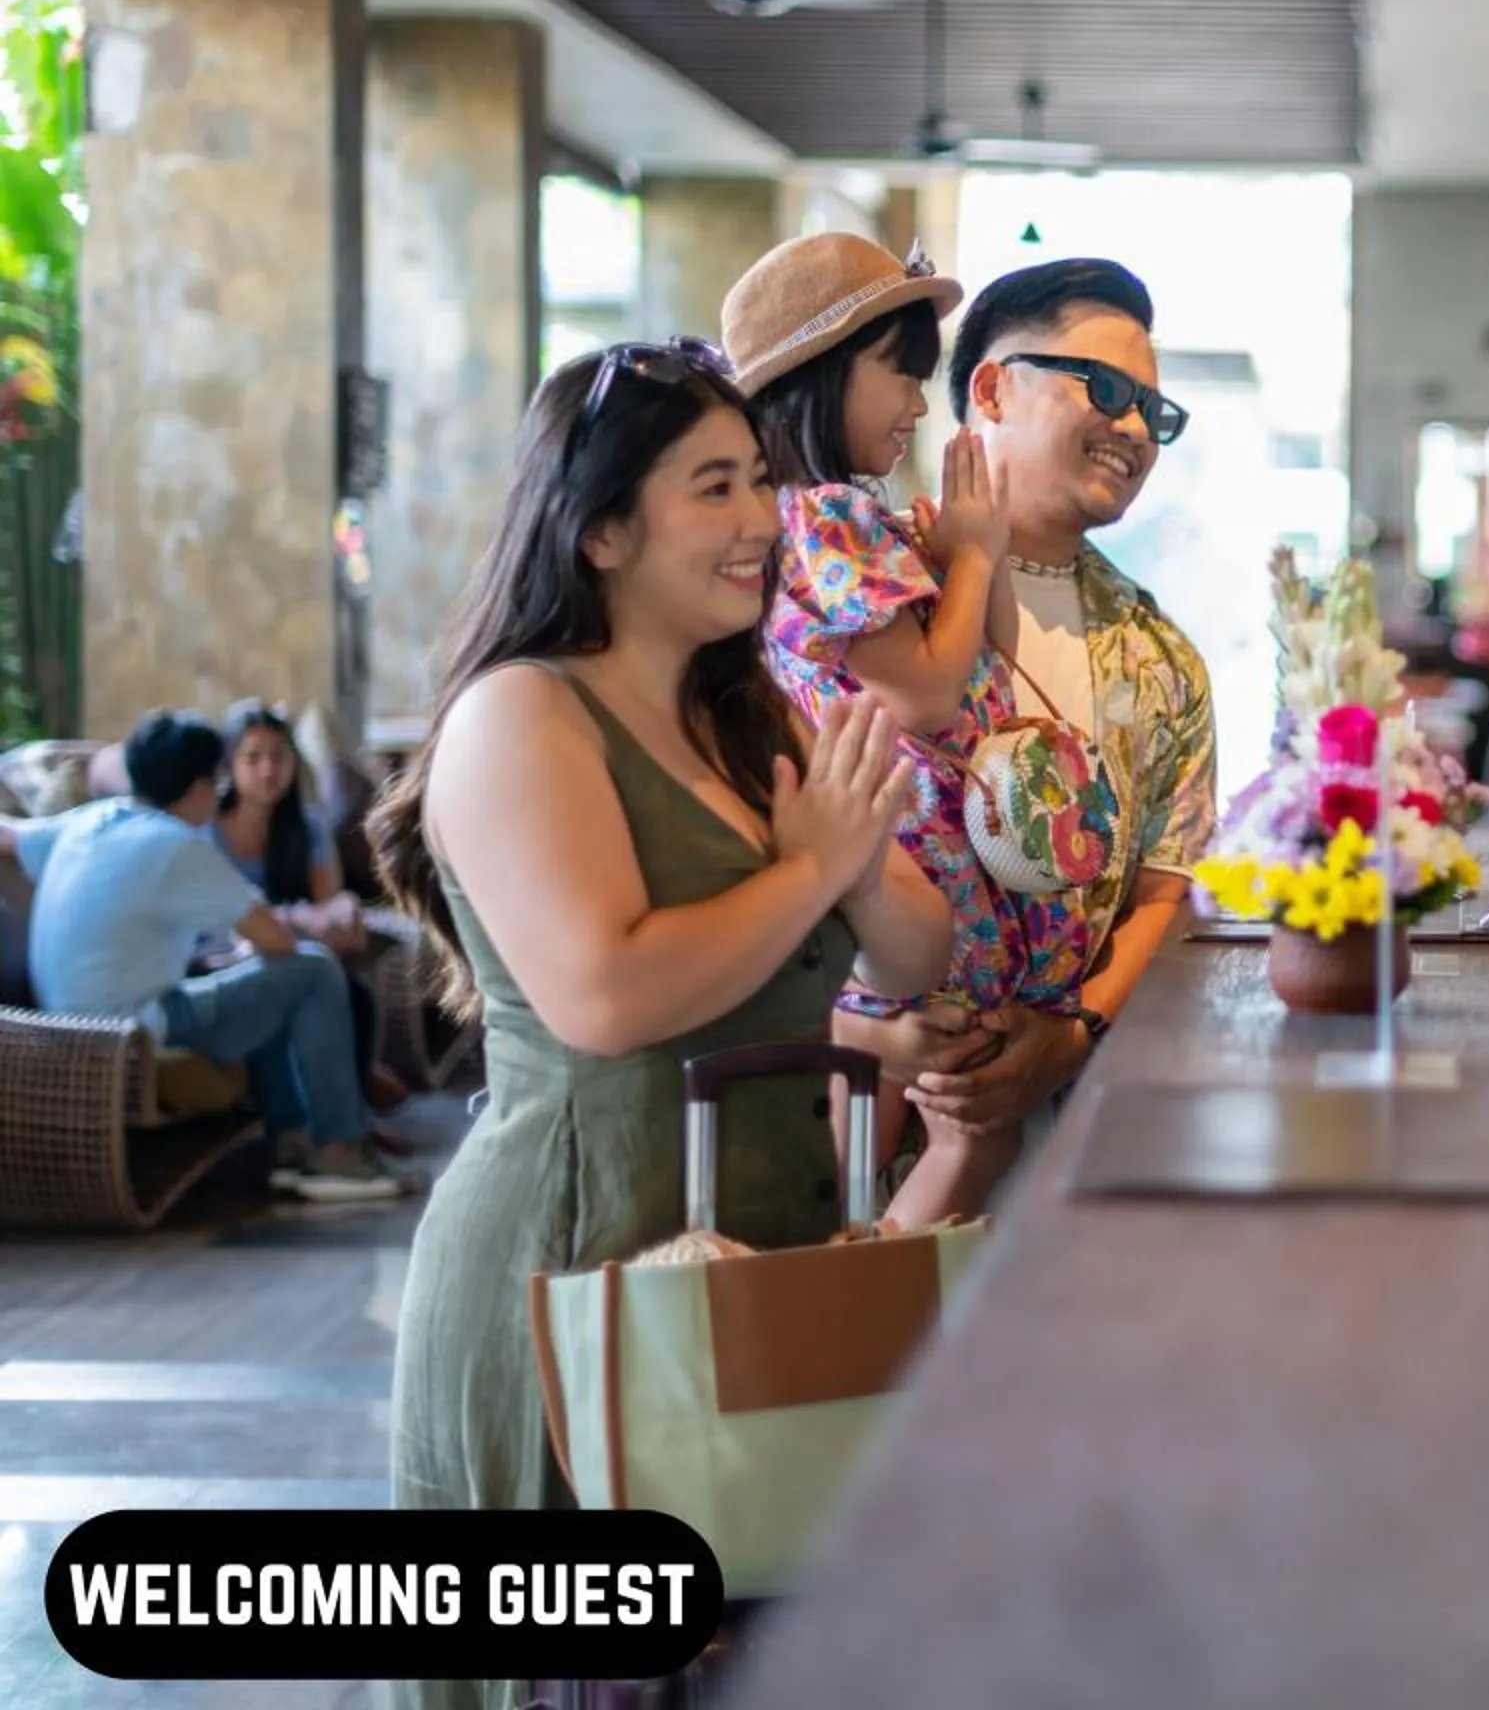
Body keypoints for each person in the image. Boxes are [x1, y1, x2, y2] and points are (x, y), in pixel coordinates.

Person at [368, 337, 949, 1710]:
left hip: (754, 1272)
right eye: (713, 487)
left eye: (759, 479)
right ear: (604, 527)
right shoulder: (524, 716)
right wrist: (811, 868)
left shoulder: (747, 715)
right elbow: (608, 995)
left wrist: (857, 858)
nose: (761, 521)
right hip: (577, 1274)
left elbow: (917, 951)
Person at [837, 259, 1217, 1161]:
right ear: (992, 387)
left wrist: (1072, 1033)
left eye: (1154, 414)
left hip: (1081, 1133)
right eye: (1108, 388)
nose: (1134, 429)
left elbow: (1170, 885)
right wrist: (868, 1034)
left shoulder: (1159, 659)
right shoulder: (855, 588)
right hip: (847, 1098)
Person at [725, 231, 1048, 1225]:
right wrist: (981, 554)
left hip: (899, 864)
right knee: (940, 1144)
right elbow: (926, 694)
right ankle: (846, 1340)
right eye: (900, 376)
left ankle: (842, 1333)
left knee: (868, 1162)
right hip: (905, 865)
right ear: (820, 374)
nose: (918, 404)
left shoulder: (817, 516)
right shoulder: (825, 517)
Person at [11, 711, 414, 1201]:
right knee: (312, 971)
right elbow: (279, 942)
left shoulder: (92, 821)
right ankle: (338, 1152)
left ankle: (289, 1145)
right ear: (200, 786)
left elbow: (12, 835)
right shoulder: (175, 844)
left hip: (62, 1026)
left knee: (265, 981)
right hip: (133, 1031)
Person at [215, 698, 410, 1118]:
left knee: (348, 987)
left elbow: (328, 904)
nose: (268, 769)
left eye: (278, 756)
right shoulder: (208, 829)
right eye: (253, 758)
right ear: (231, 764)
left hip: (294, 946)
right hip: (228, 954)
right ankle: (344, 1102)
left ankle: (349, 1107)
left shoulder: (307, 825)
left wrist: (340, 913)